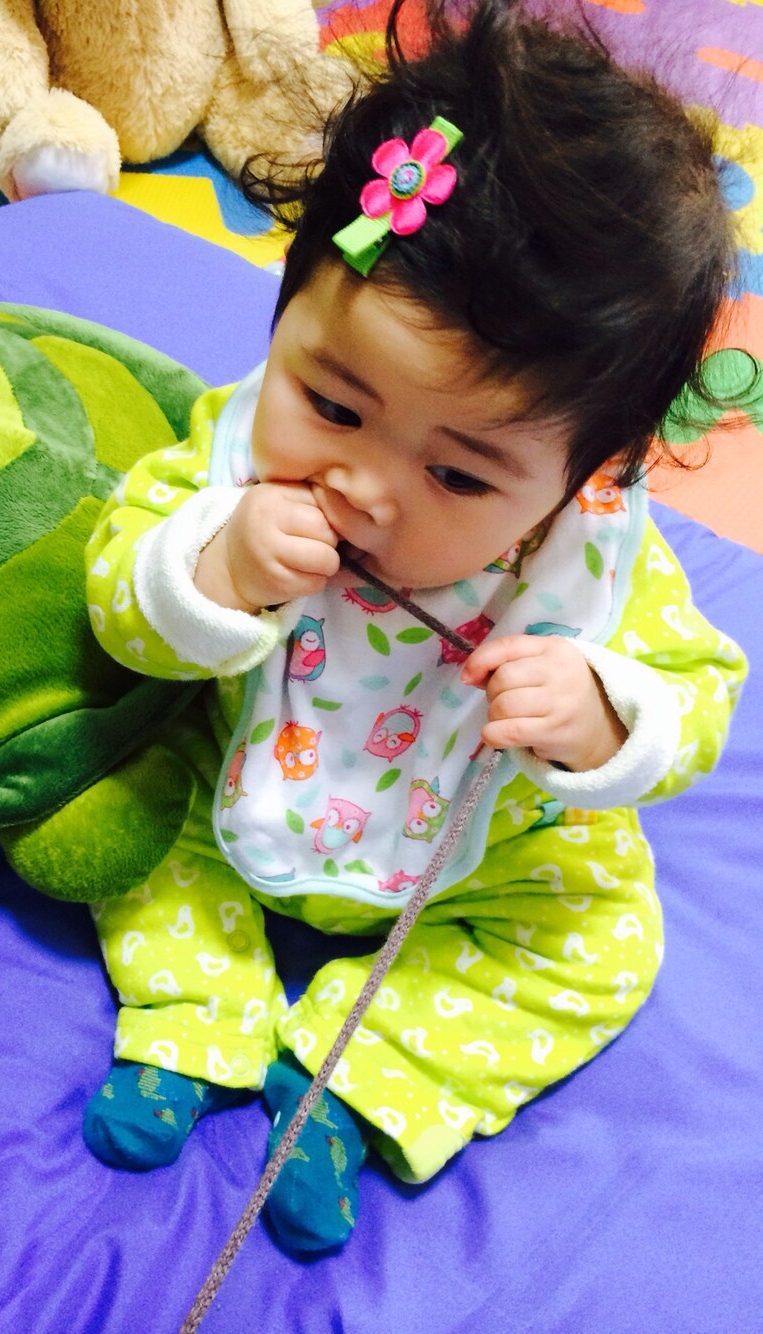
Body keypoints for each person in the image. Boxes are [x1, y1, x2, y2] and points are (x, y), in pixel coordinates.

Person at [81, 0, 750, 1253]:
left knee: (605, 941)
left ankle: (354, 1078)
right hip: (229, 787)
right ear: (287, 310)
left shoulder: (593, 556)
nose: (364, 486)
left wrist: (602, 714)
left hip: (473, 862)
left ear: (586, 470)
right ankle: (191, 1019)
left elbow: (696, 690)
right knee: (108, 787)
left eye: (457, 474)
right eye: (333, 403)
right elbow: (119, 587)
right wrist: (213, 568)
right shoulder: (236, 454)